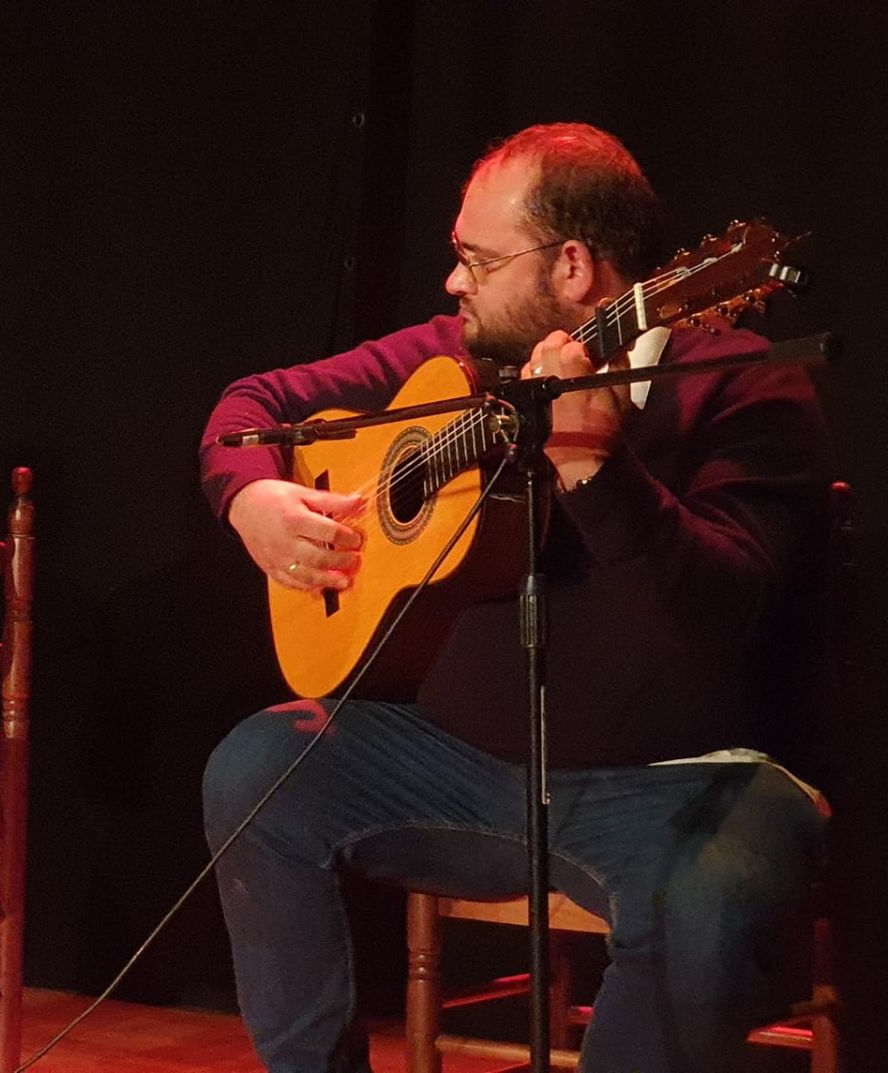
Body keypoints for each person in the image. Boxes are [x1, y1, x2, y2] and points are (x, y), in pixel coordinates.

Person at [198, 124, 833, 1072]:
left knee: (731, 878)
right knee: (256, 768)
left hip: (668, 783)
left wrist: (598, 472)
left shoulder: (741, 386)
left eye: (476, 260)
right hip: (461, 765)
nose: (454, 283)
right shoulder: (456, 359)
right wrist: (250, 496)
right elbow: (253, 409)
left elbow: (726, 612)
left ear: (574, 266)